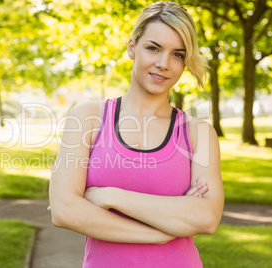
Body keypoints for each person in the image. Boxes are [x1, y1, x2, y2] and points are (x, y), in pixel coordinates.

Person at [49, 1, 224, 267]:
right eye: (153, 48)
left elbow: (207, 217)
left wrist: (110, 196)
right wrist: (160, 233)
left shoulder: (198, 133)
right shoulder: (87, 118)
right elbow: (64, 210)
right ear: (132, 48)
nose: (163, 64)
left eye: (178, 54)